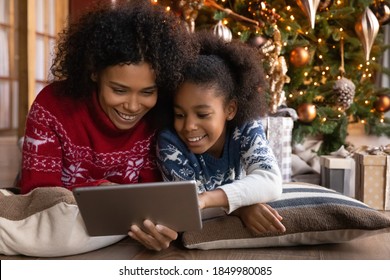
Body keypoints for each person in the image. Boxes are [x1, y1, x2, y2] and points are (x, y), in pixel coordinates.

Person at [19, 0, 197, 250]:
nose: (133, 106)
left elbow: (155, 198)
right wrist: (101, 190)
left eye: (147, 92)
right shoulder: (52, 107)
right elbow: (36, 195)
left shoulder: (160, 116)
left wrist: (159, 229)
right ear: (94, 72)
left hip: (125, 239)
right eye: (119, 90)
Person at [157, 32, 286, 234]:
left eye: (202, 114)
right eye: (179, 114)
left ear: (230, 109)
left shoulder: (245, 127)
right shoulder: (170, 142)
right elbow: (188, 208)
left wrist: (207, 199)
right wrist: (241, 208)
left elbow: (270, 181)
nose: (189, 125)